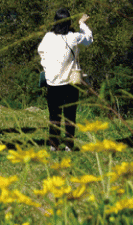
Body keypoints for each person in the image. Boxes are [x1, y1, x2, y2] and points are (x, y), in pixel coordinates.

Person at [37, 9, 92, 150]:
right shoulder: (73, 37)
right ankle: (69, 145)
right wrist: (82, 24)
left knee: (54, 115)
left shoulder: (48, 37)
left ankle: (53, 145)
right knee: (70, 115)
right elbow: (89, 39)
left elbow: (41, 51)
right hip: (69, 83)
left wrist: (47, 67)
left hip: (52, 82)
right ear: (68, 23)